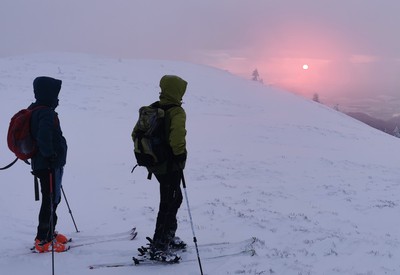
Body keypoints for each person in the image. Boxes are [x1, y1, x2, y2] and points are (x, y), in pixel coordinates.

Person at [135, 75, 188, 259]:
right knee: (169, 202)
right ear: (177, 91)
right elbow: (177, 139)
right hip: (170, 165)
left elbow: (135, 133)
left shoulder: (152, 108)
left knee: (173, 198)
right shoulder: (176, 112)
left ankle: (168, 236)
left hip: (156, 165)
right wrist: (180, 157)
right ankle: (159, 245)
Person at [29, 76, 69, 253]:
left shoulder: (36, 109)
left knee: (52, 199)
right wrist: (51, 154)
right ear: (49, 94)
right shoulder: (45, 112)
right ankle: (42, 239)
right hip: (48, 164)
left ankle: (50, 232)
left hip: (44, 164)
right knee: (50, 200)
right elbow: (44, 136)